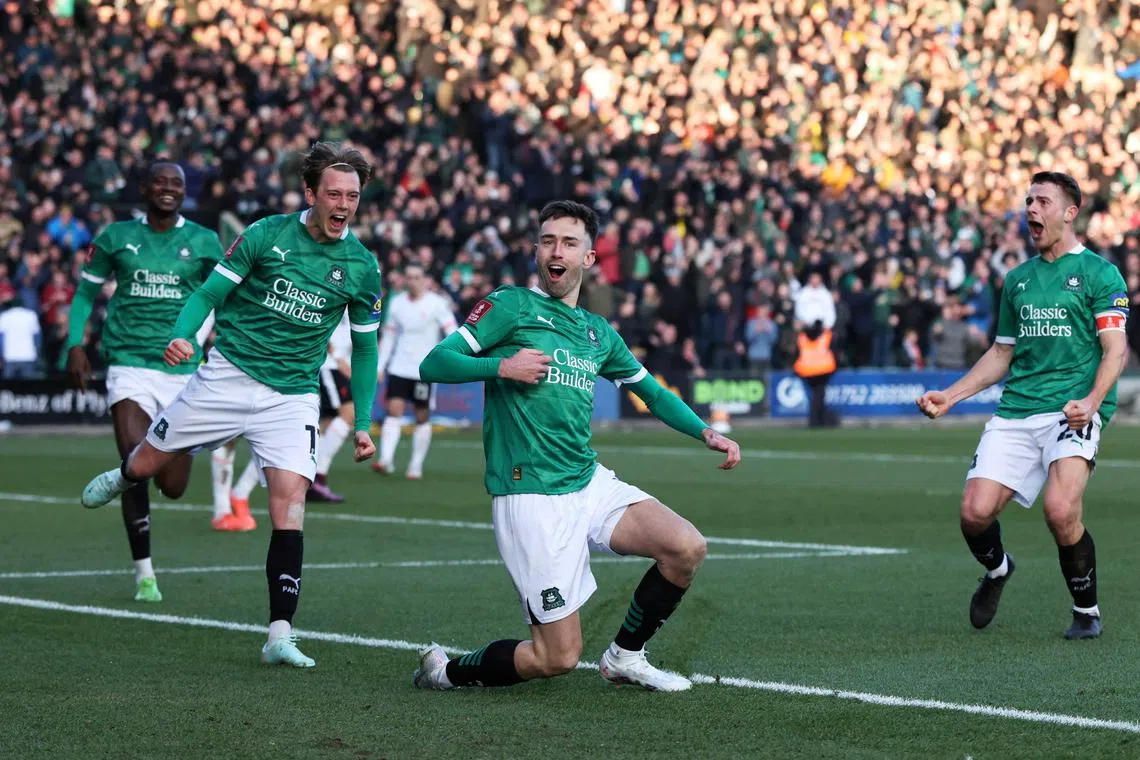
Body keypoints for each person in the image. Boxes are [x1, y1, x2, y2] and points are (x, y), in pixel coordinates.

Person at [412, 200, 741, 693]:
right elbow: (435, 363)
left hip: (586, 482)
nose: (555, 250)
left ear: (589, 258)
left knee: (685, 547)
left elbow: (649, 392)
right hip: (531, 495)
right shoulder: (510, 306)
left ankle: (625, 657)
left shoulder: (597, 332)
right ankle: (446, 672)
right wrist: (502, 367)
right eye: (547, 240)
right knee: (557, 657)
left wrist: (705, 432)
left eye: (568, 242)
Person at [78, 142, 384, 668]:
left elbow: (366, 348)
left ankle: (279, 634)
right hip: (226, 377)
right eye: (333, 193)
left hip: (291, 397)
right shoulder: (266, 234)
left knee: (290, 506)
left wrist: (365, 421)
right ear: (310, 193)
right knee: (152, 464)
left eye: (352, 196)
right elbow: (207, 296)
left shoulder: (362, 266)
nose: (344, 204)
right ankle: (125, 475)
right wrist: (184, 336)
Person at [917, 172, 1129, 640]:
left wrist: (1092, 402)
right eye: (1028, 200)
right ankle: (997, 571)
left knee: (1059, 509)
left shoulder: (1099, 273)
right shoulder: (1017, 281)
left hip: (1071, 410)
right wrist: (950, 396)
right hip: (1016, 411)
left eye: (1042, 201)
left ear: (1069, 213)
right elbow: (1001, 353)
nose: (1031, 208)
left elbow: (1116, 349)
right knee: (974, 513)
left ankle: (1086, 610)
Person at [65, 162, 231, 603]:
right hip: (129, 364)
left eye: (176, 183)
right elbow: (84, 294)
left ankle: (161, 474)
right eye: (160, 182)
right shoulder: (115, 238)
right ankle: (145, 574)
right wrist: (74, 344)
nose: (168, 189)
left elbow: (226, 294)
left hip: (183, 373)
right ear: (143, 189)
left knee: (173, 486)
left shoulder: (203, 241)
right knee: (133, 463)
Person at [374, 262, 457, 479]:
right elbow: (389, 337)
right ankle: (386, 460)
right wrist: (381, 365)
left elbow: (452, 331)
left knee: (421, 416)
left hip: (424, 370)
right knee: (394, 411)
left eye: (417, 276)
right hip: (399, 367)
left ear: (425, 279)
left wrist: (449, 359)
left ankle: (415, 465)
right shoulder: (396, 303)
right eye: (409, 276)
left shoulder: (437, 304)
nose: (413, 281)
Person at [309, 312, 355, 502]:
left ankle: (306, 476)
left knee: (326, 423)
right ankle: (317, 477)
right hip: (330, 365)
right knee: (348, 415)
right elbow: (319, 324)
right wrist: (338, 357)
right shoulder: (336, 286)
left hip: (337, 363)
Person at [793, 319, 837, 428]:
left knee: (816, 396)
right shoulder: (826, 335)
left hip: (806, 371)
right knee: (819, 395)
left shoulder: (802, 337)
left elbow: (796, 353)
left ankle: (817, 419)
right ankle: (817, 420)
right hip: (823, 370)